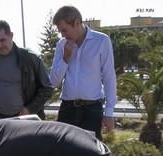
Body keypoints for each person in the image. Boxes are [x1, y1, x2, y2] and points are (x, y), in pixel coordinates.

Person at [50, 5, 117, 140]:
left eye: (64, 30)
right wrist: (65, 58)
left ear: (76, 23)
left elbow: (109, 77)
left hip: (92, 110)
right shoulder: (61, 45)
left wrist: (109, 113)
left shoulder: (101, 41)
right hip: (67, 109)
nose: (62, 35)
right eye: (60, 31)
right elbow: (53, 81)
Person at [0, 20, 53, 127]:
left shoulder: (31, 59)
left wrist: (29, 109)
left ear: (11, 35)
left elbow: (46, 88)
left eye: (2, 40)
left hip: (24, 117)